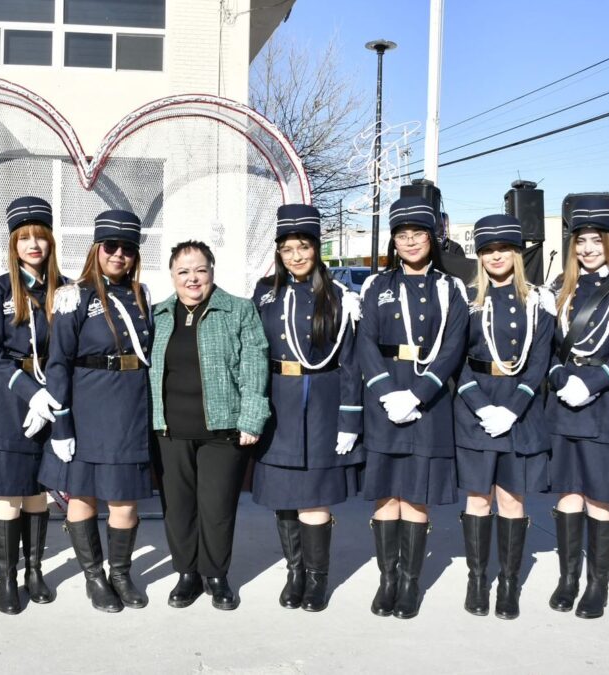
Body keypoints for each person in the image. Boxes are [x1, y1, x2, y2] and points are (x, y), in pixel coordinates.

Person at [356, 196, 469, 619]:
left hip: (428, 400)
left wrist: (418, 394)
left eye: (418, 234)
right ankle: (387, 580)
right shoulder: (375, 286)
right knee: (386, 493)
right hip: (385, 397)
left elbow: (454, 346)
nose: (410, 242)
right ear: (394, 241)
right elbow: (364, 342)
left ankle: (409, 583)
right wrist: (387, 391)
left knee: (415, 495)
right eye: (402, 235)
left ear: (432, 237)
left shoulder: (450, 287)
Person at [38, 209, 154, 613]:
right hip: (87, 405)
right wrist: (63, 422)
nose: (118, 254)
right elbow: (58, 362)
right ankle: (95, 577)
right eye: (111, 246)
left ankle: (121, 573)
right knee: (83, 494)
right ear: (96, 249)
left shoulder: (143, 296)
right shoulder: (75, 295)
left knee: (124, 500)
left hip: (129, 408)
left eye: (127, 248)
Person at [250, 205, 362, 612]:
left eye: (304, 247)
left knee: (314, 497)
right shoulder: (264, 292)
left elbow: (350, 362)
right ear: (278, 252)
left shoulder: (339, 297)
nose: (296, 256)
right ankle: (294, 572)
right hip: (279, 400)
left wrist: (350, 418)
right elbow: (251, 353)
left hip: (322, 402)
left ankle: (317, 580)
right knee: (284, 494)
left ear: (317, 249)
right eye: (287, 248)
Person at [149, 240, 270, 611]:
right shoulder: (158, 315)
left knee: (217, 509)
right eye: (183, 271)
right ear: (172, 275)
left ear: (212, 271)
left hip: (223, 430)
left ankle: (216, 576)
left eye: (200, 269)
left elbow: (255, 365)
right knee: (179, 508)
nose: (192, 278)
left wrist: (252, 416)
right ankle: (187, 574)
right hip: (170, 430)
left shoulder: (238, 310)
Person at [547, 194, 609, 619]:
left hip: (606, 404)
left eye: (596, 240)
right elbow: (549, 350)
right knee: (568, 492)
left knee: (600, 497)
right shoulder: (560, 291)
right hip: (566, 403)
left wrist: (590, 382)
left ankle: (596, 586)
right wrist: (559, 378)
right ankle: (568, 579)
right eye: (580, 240)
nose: (587, 248)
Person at [454, 214, 555, 620]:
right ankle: (477, 579)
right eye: (488, 250)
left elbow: (540, 362)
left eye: (503, 249)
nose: (496, 256)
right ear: (480, 256)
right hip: (476, 406)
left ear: (516, 254)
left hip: (521, 409)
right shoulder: (466, 299)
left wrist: (512, 409)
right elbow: (454, 360)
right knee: (478, 498)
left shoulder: (537, 300)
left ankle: (509, 583)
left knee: (512, 499)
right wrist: (481, 405)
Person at [0, 196, 65, 614]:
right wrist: (31, 394)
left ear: (50, 243)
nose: (33, 245)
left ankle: (34, 571)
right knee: (8, 495)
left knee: (38, 494)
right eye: (24, 238)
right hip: (7, 401)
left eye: (39, 238)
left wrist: (50, 399)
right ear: (13, 243)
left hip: (50, 399)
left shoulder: (64, 291)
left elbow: (67, 351)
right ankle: (6, 580)